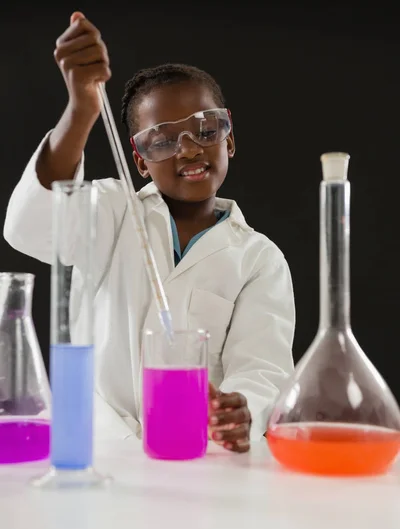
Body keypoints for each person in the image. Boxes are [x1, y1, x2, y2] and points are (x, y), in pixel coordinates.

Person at [3, 12, 295, 453]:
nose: (189, 148)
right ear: (140, 161)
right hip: (98, 447)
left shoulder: (258, 258)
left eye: (205, 129)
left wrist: (242, 410)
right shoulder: (112, 210)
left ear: (228, 137)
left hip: (198, 455)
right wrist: (82, 110)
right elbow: (29, 227)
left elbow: (264, 369)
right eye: (161, 140)